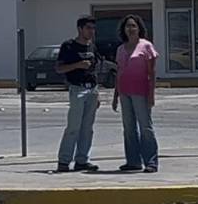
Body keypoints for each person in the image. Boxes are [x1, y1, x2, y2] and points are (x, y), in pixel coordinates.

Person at [112, 14, 160, 173]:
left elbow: (151, 73)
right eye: (128, 26)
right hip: (125, 92)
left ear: (139, 28)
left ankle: (151, 162)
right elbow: (119, 72)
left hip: (141, 92)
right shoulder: (120, 49)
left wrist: (151, 95)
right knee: (128, 127)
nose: (130, 29)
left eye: (133, 26)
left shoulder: (146, 46)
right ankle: (133, 161)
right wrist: (115, 95)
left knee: (145, 126)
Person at [55, 15, 101, 172]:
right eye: (88, 28)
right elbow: (59, 68)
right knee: (73, 126)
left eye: (93, 28)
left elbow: (95, 70)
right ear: (80, 29)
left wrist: (97, 92)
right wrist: (78, 65)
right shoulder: (69, 46)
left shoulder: (92, 47)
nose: (91, 31)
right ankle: (64, 160)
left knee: (87, 128)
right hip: (77, 89)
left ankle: (82, 159)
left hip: (92, 89)